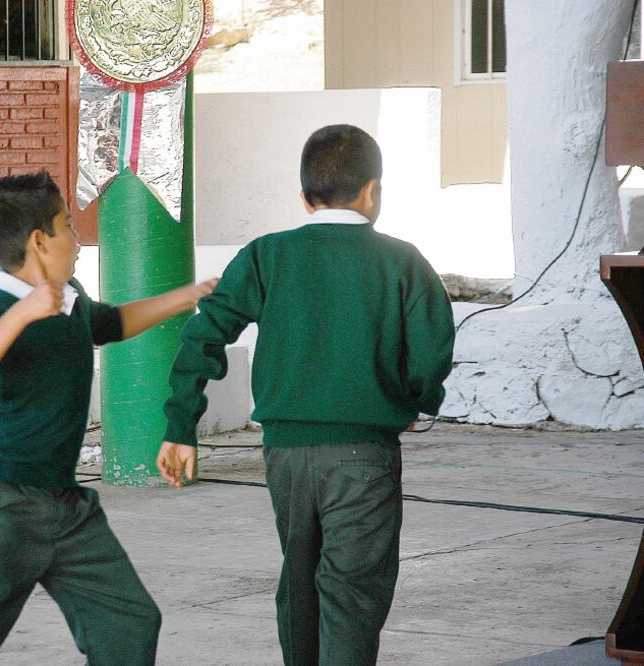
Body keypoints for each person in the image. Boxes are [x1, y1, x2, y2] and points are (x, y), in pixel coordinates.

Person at [156, 124, 455, 665]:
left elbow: (203, 334)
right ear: (373, 191)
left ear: (304, 196)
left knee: (299, 584)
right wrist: (416, 400)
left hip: (285, 456)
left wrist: (182, 425)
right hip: (363, 455)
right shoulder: (403, 260)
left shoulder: (266, 255)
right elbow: (433, 348)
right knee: (352, 594)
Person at [0, 171, 216, 665]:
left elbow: (110, 323)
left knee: (128, 622)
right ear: (41, 241)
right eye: (68, 225)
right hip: (5, 505)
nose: (78, 240)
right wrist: (20, 317)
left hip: (68, 509)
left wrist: (189, 296)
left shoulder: (71, 299)